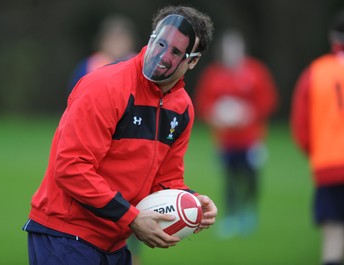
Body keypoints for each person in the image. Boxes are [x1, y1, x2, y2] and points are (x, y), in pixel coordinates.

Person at [22, 5, 217, 265]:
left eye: (176, 52)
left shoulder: (182, 108)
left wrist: (192, 202)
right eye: (160, 43)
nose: (163, 56)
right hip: (65, 236)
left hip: (115, 242)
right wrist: (132, 218)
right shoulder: (105, 86)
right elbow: (71, 167)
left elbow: (166, 179)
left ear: (193, 61)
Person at [194, 29, 278, 238]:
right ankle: (231, 216)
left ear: (242, 48)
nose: (232, 52)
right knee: (229, 178)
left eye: (236, 47)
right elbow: (203, 103)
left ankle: (248, 213)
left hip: (251, 139)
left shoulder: (255, 71)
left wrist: (250, 112)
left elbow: (268, 100)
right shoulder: (214, 75)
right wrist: (215, 114)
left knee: (250, 177)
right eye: (228, 48)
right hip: (225, 141)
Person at [290, 10, 344, 265]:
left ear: (333, 36)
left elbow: (301, 129)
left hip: (329, 165)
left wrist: (320, 150)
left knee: (333, 235)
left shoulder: (315, 72)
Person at [67, 14, 137, 92]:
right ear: (101, 41)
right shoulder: (87, 66)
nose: (116, 43)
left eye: (122, 38)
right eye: (112, 38)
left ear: (132, 41)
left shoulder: (141, 66)